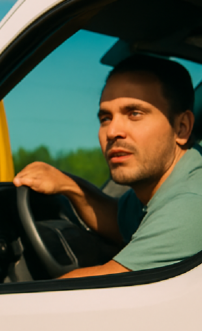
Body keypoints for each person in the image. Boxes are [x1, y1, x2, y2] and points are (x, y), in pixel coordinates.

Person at [13, 55, 202, 278]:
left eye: (134, 114)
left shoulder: (191, 202)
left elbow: (100, 286)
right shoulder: (171, 183)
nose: (112, 132)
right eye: (105, 118)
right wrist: (70, 185)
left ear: (181, 128)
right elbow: (118, 222)